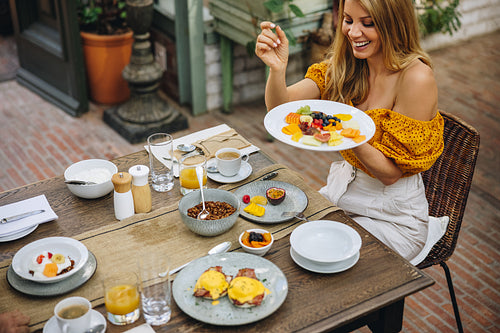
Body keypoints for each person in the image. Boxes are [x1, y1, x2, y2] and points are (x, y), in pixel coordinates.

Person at [255, 0, 445, 263]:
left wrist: (345, 128)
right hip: (344, 195)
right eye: (348, 20)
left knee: (319, 260)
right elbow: (280, 108)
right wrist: (277, 69)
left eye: (367, 23)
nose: (354, 33)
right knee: (285, 239)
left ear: (394, 24)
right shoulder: (348, 64)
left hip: (394, 218)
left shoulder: (416, 78)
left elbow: (390, 174)